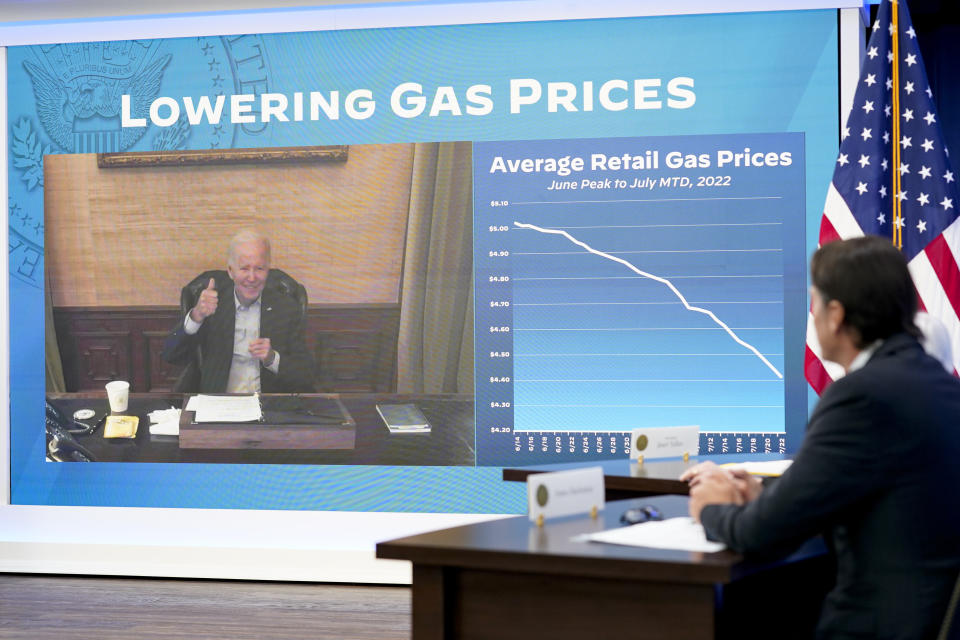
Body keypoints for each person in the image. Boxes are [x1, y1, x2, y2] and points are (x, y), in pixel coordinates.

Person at [682, 236, 960, 639]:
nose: (810, 316)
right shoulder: (938, 384)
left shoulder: (863, 395)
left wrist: (709, 508)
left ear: (835, 314)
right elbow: (878, 501)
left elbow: (760, 536)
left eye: (813, 302)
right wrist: (770, 498)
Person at [162, 229, 315, 393]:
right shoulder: (211, 304)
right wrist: (196, 316)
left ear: (268, 270)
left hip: (268, 406)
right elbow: (171, 355)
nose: (252, 277)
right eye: (244, 269)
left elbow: (306, 376)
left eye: (259, 269)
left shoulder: (285, 307)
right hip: (219, 403)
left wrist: (272, 358)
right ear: (230, 271)